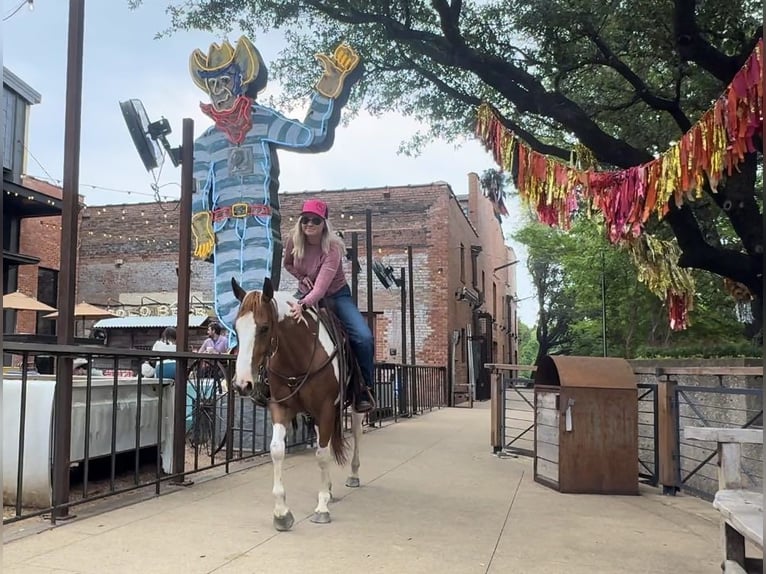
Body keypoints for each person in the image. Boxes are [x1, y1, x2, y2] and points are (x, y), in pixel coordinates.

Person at [283, 198, 374, 413]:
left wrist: (302, 305)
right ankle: (272, 382)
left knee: (364, 337)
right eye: (305, 219)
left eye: (315, 220)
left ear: (324, 223)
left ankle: (364, 388)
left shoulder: (332, 248)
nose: (309, 224)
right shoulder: (293, 241)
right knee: (279, 323)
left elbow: (321, 289)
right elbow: (287, 264)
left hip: (335, 295)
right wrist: (302, 276)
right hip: (306, 292)